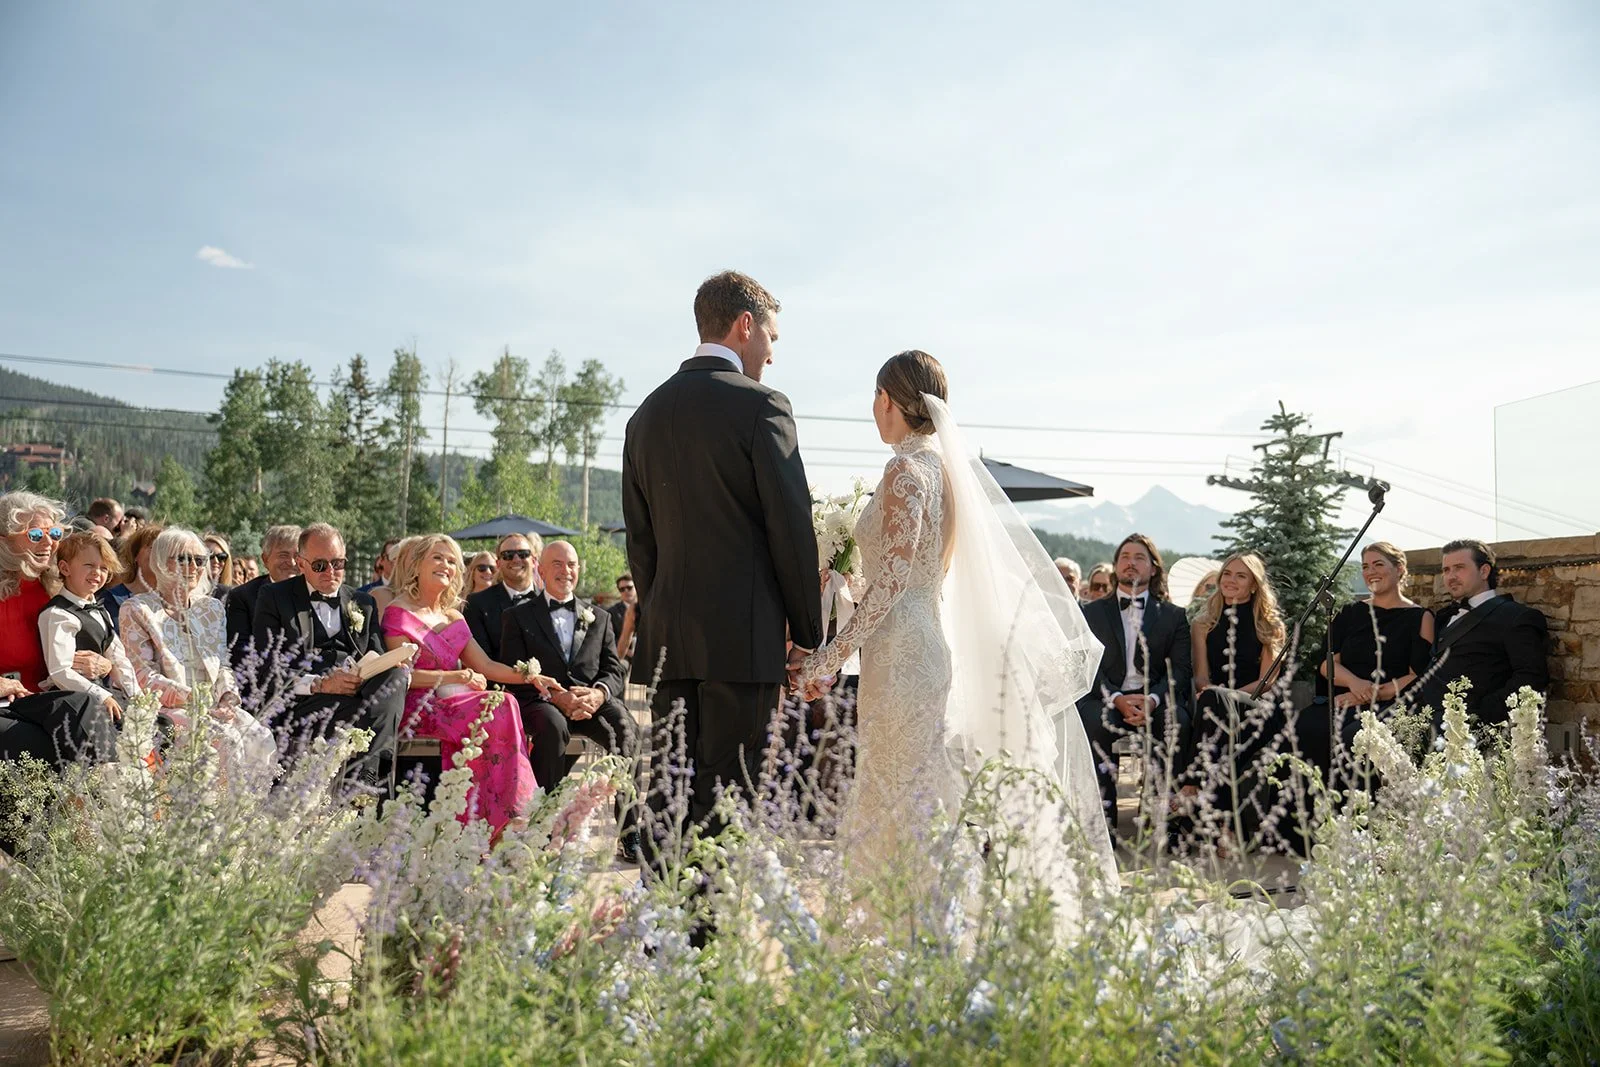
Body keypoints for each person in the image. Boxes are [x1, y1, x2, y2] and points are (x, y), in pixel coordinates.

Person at [796, 351, 1115, 919]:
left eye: (874, 398)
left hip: (901, 654)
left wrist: (830, 656)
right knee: (914, 789)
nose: (872, 410)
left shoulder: (904, 470)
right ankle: (932, 915)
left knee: (897, 791)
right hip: (921, 641)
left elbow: (895, 581)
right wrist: (846, 584)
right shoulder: (944, 472)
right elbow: (918, 575)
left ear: (888, 399)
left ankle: (905, 920)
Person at [622, 269, 825, 884]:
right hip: (743, 640)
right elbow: (791, 529)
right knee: (729, 792)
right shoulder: (763, 407)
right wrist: (807, 633)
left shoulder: (645, 416)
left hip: (670, 643)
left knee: (671, 788)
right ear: (745, 325)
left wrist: (662, 613)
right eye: (771, 337)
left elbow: (641, 543)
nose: (771, 352)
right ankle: (707, 933)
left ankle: (663, 923)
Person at [381, 534, 545, 834]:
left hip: (456, 703)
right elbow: (402, 676)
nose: (446, 565)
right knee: (499, 707)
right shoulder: (398, 612)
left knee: (504, 702)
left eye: (452, 561)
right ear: (417, 564)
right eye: (438, 558)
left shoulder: (454, 616)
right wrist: (455, 677)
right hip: (419, 706)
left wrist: (531, 676)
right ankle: (505, 817)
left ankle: (500, 815)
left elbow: (486, 666)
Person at [502, 539, 641, 861]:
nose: (566, 571)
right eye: (558, 564)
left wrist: (599, 693)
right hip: (541, 701)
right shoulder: (517, 616)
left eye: (572, 565)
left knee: (626, 729)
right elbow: (512, 671)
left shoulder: (599, 617)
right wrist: (554, 695)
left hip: (590, 701)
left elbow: (614, 669)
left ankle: (629, 831)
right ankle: (542, 826)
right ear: (541, 570)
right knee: (552, 728)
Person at [120, 527, 277, 789]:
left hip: (214, 705)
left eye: (199, 560)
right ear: (161, 562)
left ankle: (250, 812)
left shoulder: (211, 608)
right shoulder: (137, 609)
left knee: (260, 738)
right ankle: (219, 812)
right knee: (225, 740)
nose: (193, 567)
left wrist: (228, 698)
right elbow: (143, 676)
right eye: (183, 559)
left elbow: (222, 664)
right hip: (168, 709)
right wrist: (194, 699)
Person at [251, 523, 405, 787]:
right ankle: (370, 780)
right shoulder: (275, 597)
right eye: (320, 565)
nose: (331, 572)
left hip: (357, 691)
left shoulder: (363, 602)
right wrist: (320, 683)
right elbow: (267, 667)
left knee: (396, 676)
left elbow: (377, 656)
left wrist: (386, 664)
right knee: (372, 715)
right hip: (305, 701)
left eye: (338, 563)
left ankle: (366, 778)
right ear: (301, 564)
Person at [1076, 533, 1192, 837]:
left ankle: (1165, 821)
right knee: (1093, 721)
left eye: (1139, 557)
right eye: (1125, 557)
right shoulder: (1090, 613)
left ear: (1153, 569)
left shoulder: (1174, 616)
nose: (1131, 562)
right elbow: (1086, 667)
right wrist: (1116, 698)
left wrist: (1152, 699)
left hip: (1154, 700)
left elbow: (1180, 671)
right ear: (1116, 567)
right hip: (1106, 699)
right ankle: (1103, 823)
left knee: (1177, 721)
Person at [1300, 541, 1435, 787]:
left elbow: (1417, 674)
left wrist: (1371, 695)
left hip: (1390, 705)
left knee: (1352, 740)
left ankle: (1351, 809)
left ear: (1399, 569)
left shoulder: (1421, 617)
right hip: (1342, 700)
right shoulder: (1349, 613)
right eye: (1365, 566)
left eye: (1378, 564)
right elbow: (1327, 664)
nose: (1370, 571)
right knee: (1303, 728)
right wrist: (1355, 683)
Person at [1181, 552, 1286, 840]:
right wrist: (1216, 695)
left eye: (1241, 576)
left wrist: (1225, 695)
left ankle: (1192, 784)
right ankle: (1227, 830)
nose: (1231, 580)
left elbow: (1266, 682)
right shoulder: (1203, 623)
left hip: (1258, 709)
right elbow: (1201, 677)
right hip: (1214, 710)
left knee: (1215, 705)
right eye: (1227, 573)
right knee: (1222, 738)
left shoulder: (1269, 624)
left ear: (1254, 585)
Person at [0, 492, 106, 764]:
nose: (49, 542)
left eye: (54, 533)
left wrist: (102, 664)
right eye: (35, 534)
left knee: (106, 713)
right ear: (4, 540)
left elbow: (104, 649)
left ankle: (112, 782)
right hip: (9, 706)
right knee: (36, 740)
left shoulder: (61, 590)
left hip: (49, 703)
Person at [1404, 538, 1548, 728]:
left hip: (1469, 730)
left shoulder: (1516, 617)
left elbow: (1532, 678)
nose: (1451, 576)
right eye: (1446, 570)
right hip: (1421, 722)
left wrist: (1479, 716)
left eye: (1459, 568)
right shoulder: (1444, 616)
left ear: (1484, 571)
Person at [39, 531, 140, 749]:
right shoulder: (58, 614)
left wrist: (138, 697)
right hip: (75, 700)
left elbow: (118, 657)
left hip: (103, 693)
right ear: (65, 568)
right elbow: (59, 671)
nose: (97, 573)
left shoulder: (99, 610)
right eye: (89, 565)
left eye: (103, 568)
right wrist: (101, 695)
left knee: (157, 726)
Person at [225, 524, 301, 668]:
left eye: (297, 556)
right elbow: (240, 652)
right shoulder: (243, 597)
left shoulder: (314, 592)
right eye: (283, 555)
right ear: (265, 560)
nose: (292, 562)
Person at [463, 532, 543, 663]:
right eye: (508, 555)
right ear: (498, 563)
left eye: (523, 554)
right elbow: (481, 661)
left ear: (534, 561)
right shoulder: (477, 603)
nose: (516, 559)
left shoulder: (549, 600)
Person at [97, 522, 164, 631]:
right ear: (135, 555)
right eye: (153, 547)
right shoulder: (112, 599)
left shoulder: (173, 601)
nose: (160, 554)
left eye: (165, 550)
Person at [608, 572, 639, 665]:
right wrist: (628, 652)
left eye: (629, 588)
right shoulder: (611, 612)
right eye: (622, 589)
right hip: (623, 656)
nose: (626, 591)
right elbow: (610, 638)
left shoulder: (646, 608)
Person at [203, 531, 234, 600]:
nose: (216, 561)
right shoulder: (192, 592)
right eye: (210, 556)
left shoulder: (231, 594)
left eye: (221, 557)